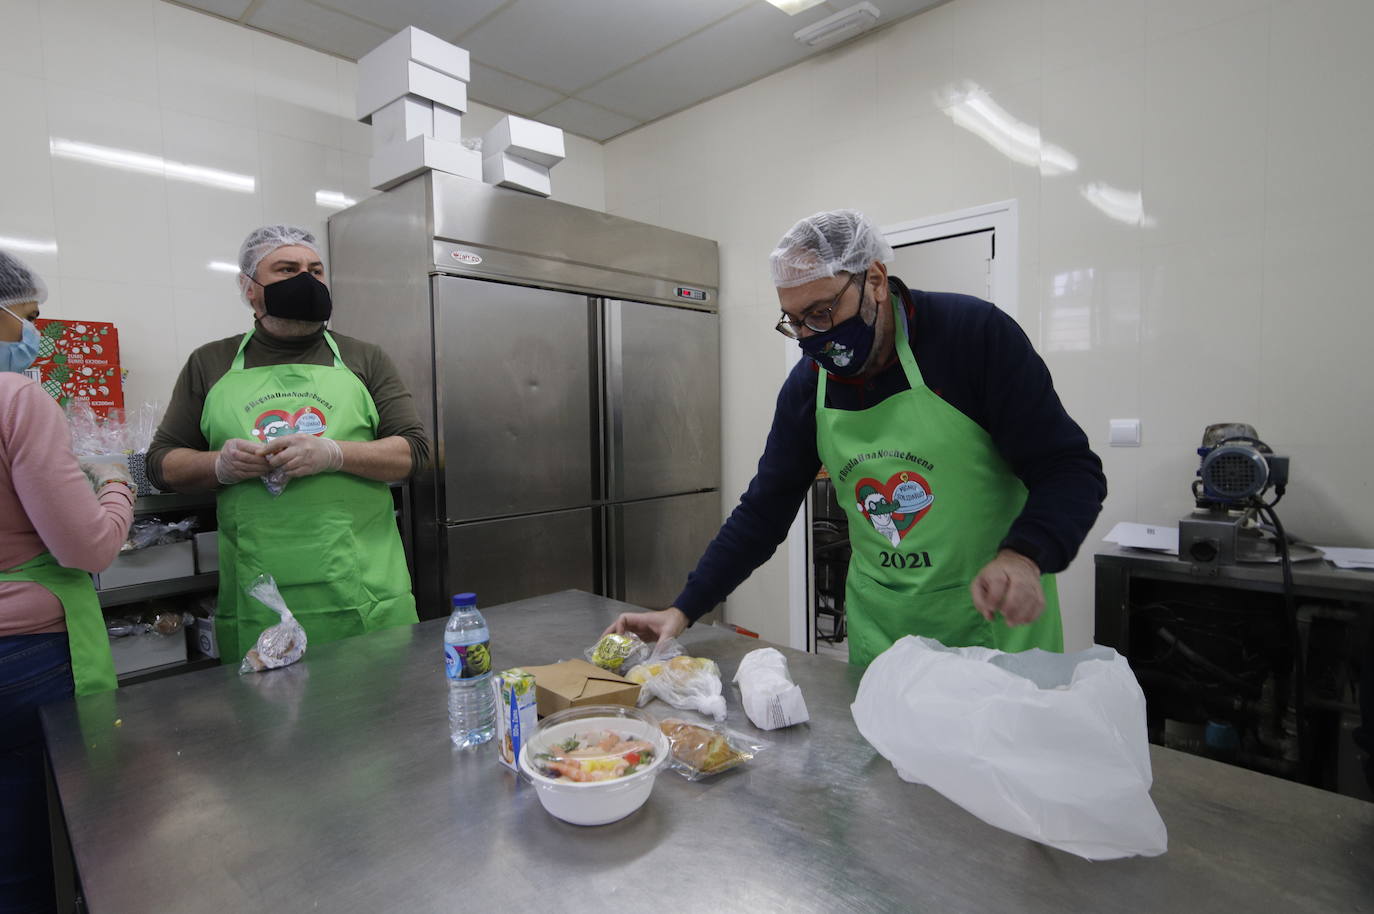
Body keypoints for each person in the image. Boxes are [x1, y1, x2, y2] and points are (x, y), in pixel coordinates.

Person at [607, 210, 1107, 666]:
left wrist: (1025, 554)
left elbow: (1068, 468)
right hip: (885, 643)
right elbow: (764, 511)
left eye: (822, 313)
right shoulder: (809, 385)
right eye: (796, 322)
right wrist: (684, 608)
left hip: (991, 630)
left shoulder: (971, 337)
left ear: (874, 279)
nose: (811, 337)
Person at [147, 226, 428, 661]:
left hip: (364, 587)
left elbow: (415, 453)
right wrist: (218, 465)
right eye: (287, 269)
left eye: (316, 270)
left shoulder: (364, 358)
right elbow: (161, 465)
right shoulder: (211, 362)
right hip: (260, 592)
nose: (307, 280)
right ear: (249, 288)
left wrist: (334, 454)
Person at [0, 251, 135, 914]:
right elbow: (88, 547)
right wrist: (114, 481)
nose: (34, 334)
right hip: (19, 653)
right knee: (29, 843)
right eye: (26, 318)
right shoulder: (18, 400)